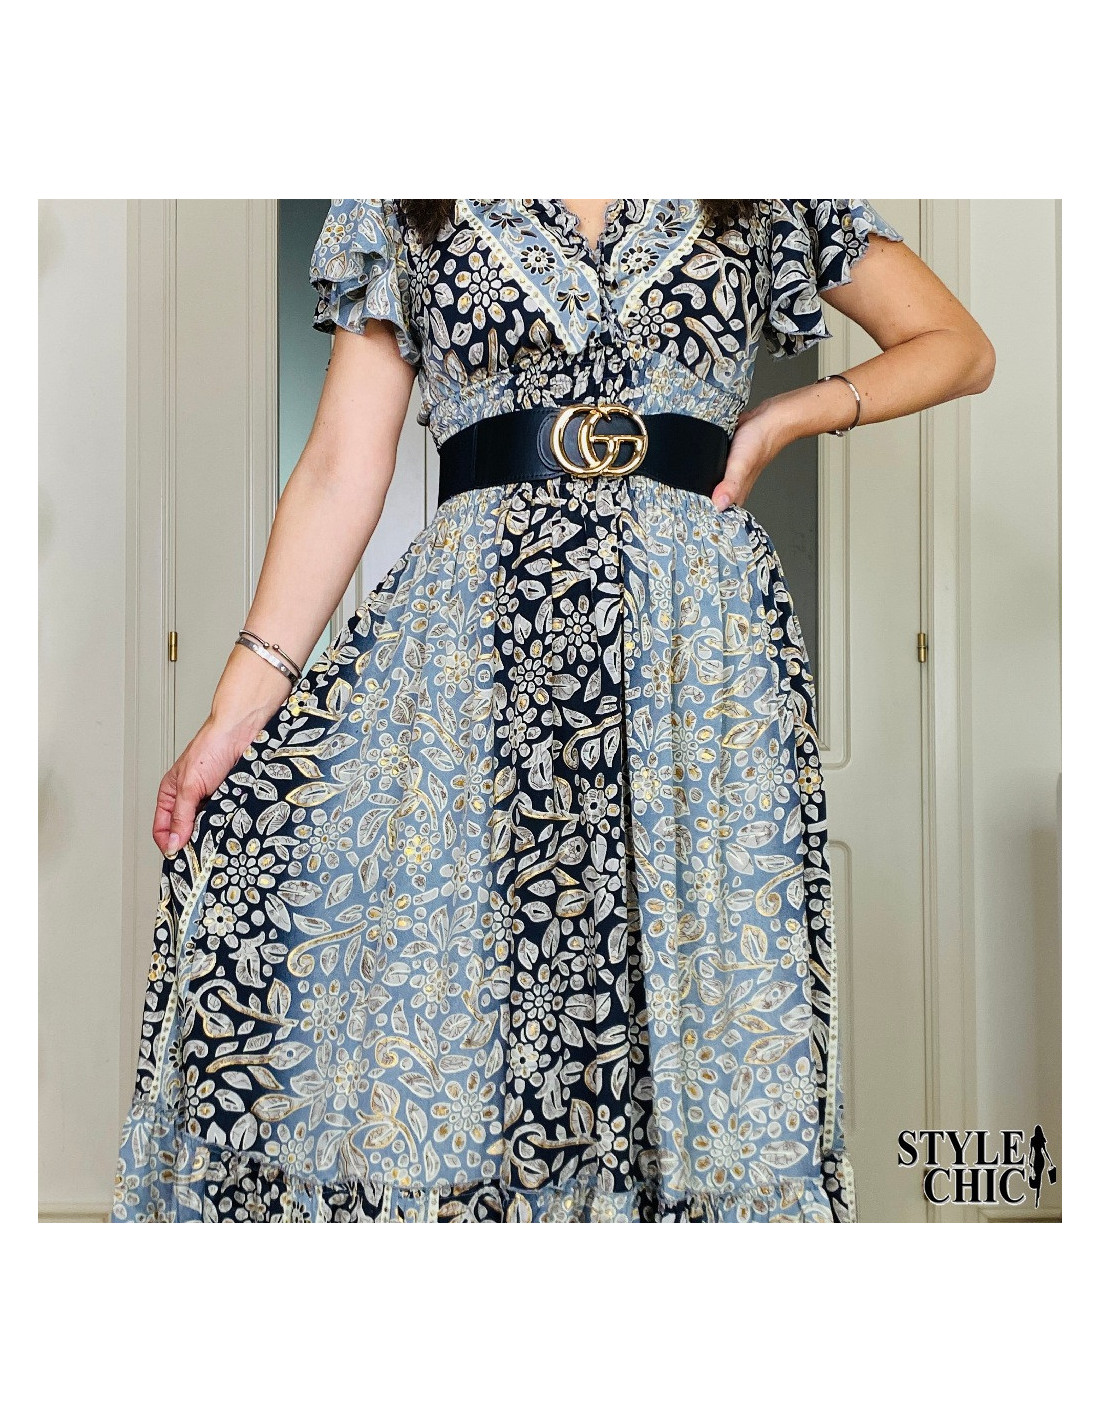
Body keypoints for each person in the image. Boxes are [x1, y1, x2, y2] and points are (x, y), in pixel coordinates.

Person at [111, 198, 994, 1223]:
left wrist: (791, 413)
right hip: (468, 653)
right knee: (463, 1005)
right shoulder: (402, 197)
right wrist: (232, 718)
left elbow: (958, 347)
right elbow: (341, 470)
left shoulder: (763, 181)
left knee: (700, 1002)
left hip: (697, 654)